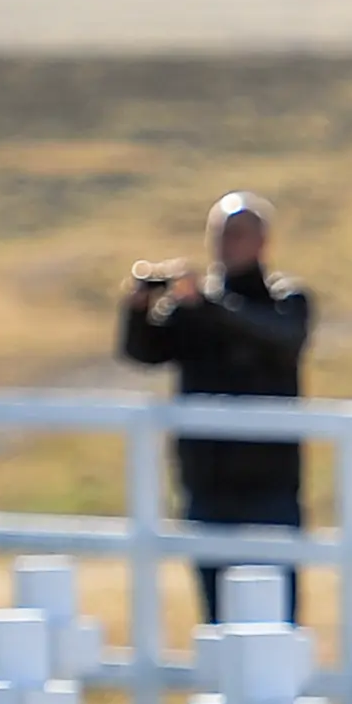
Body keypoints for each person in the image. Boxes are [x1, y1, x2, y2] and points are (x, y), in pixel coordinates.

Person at [117, 193, 314, 622]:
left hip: (270, 487)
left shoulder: (285, 300)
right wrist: (137, 309)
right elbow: (142, 352)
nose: (226, 245)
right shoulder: (196, 310)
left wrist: (207, 306)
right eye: (220, 235)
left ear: (263, 242)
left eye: (237, 234)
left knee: (276, 618)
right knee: (217, 619)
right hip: (206, 485)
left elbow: (280, 337)